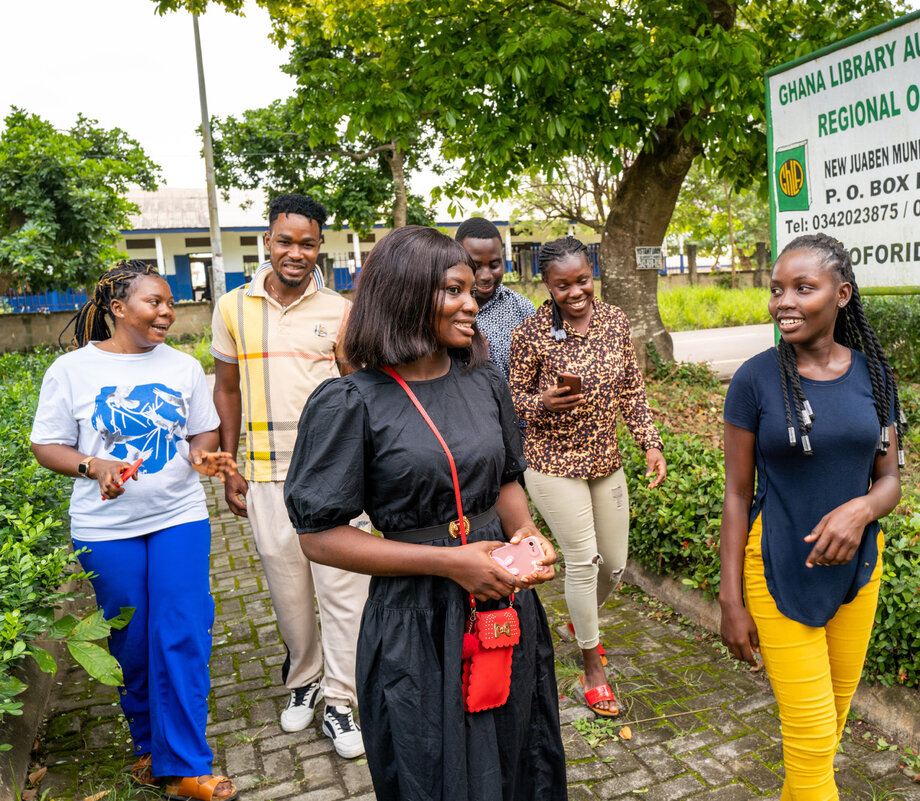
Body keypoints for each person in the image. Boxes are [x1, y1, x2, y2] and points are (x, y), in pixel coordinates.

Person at [282, 225, 567, 801]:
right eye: (455, 290)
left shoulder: (485, 379)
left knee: (519, 750)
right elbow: (319, 537)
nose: (473, 302)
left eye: (472, 289)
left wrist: (529, 538)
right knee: (433, 765)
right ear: (407, 296)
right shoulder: (351, 401)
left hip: (504, 601)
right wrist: (451, 565)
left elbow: (506, 480)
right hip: (418, 616)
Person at [30, 261, 239, 801]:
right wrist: (94, 466)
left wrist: (209, 460)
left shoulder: (183, 367)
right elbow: (46, 444)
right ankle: (150, 749)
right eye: (155, 302)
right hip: (105, 528)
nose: (167, 311)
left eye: (170, 302)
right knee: (134, 640)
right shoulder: (72, 371)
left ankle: (188, 765)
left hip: (179, 517)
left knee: (184, 632)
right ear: (118, 308)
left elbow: (201, 434)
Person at [718, 233, 903, 800]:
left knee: (829, 730)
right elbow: (735, 493)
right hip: (777, 569)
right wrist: (729, 599)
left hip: (856, 574)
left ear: (842, 294)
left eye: (803, 288)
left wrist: (862, 510)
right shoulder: (754, 379)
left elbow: (891, 479)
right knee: (811, 736)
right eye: (776, 290)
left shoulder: (875, 375)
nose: (784, 302)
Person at [210, 193, 370, 758]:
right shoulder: (232, 307)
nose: (295, 253)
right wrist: (230, 465)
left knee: (344, 592)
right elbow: (225, 390)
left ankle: (341, 700)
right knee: (289, 591)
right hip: (265, 475)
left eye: (306, 243)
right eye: (285, 241)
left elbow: (357, 393)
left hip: (332, 476)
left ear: (319, 245)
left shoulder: (342, 311)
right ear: (268, 240)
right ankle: (304, 679)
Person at [508, 236, 668, 718]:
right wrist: (542, 403)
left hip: (604, 461)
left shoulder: (615, 321)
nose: (575, 292)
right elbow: (512, 402)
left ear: (590, 273)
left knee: (614, 565)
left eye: (582, 280)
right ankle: (592, 671)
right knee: (583, 559)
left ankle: (581, 623)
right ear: (547, 284)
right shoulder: (531, 334)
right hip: (552, 462)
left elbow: (630, 387)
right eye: (563, 285)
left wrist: (650, 441)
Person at [454, 217, 534, 377]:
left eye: (494, 265)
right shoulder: (444, 308)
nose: (486, 276)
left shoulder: (522, 309)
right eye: (476, 266)